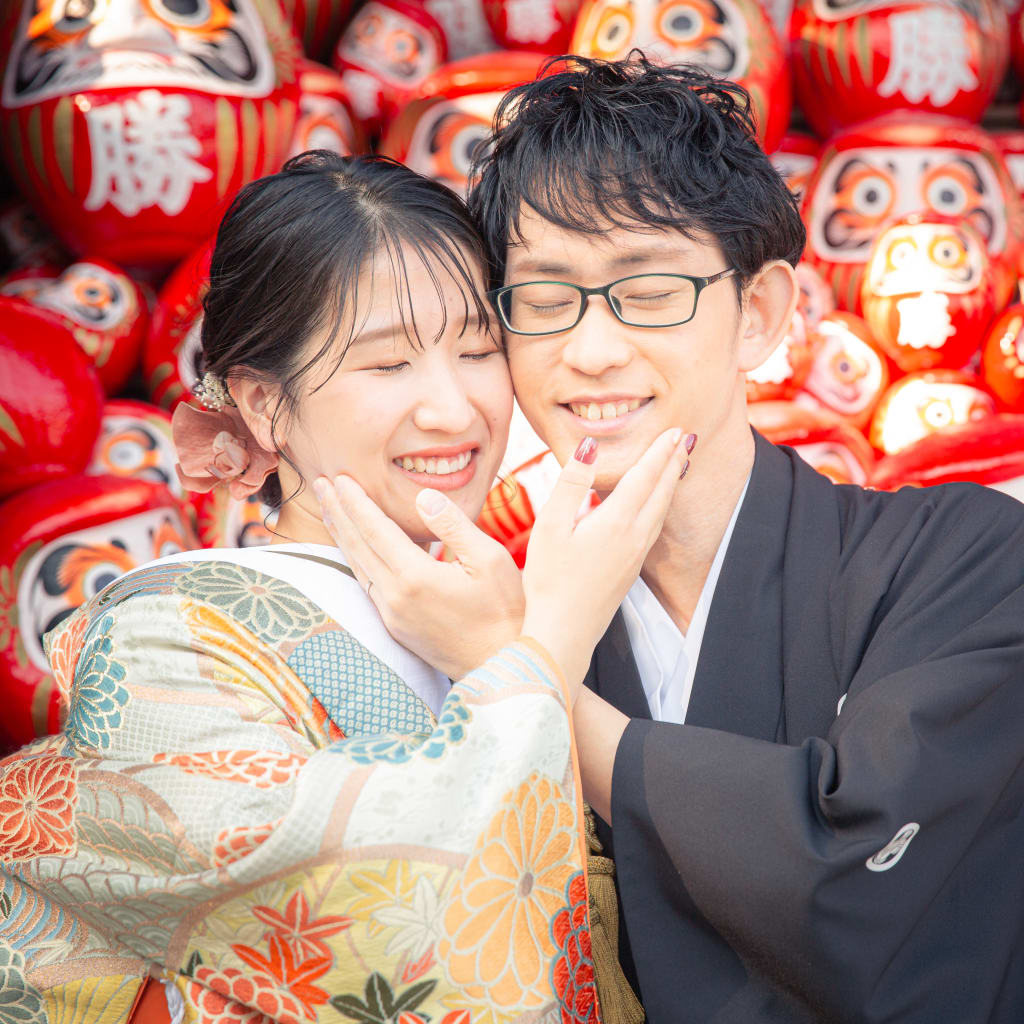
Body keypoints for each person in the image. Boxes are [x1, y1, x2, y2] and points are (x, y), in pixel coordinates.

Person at [314, 60, 1024, 1023]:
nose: (592, 350)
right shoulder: (467, 628)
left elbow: (873, 895)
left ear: (761, 314)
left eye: (646, 289)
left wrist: (522, 678)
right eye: (545, 297)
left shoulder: (966, 555)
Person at [0, 152, 692, 1022]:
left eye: (478, 349)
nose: (453, 409)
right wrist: (545, 650)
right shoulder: (167, 634)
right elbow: (363, 928)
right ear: (263, 404)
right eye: (387, 365)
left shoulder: (499, 603)